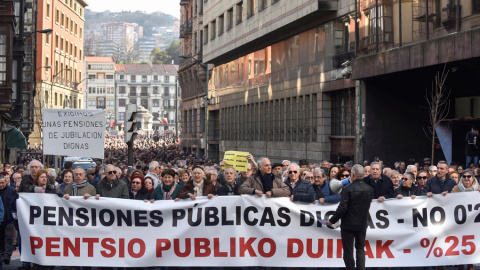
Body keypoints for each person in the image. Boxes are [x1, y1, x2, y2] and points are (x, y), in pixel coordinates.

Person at [327, 165, 374, 270]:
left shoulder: (347, 189)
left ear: (352, 175)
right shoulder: (369, 189)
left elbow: (342, 208)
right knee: (360, 249)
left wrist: (331, 220)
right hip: (362, 224)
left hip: (348, 225)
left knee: (348, 251)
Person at [0, 176, 16, 265]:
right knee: (1, 238)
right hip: (1, 219)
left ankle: (7, 255)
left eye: (2, 183)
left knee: (9, 237)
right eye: (0, 183)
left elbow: (14, 203)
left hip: (9, 218)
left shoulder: (11, 190)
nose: (1, 185)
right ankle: (3, 254)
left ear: (6, 182)